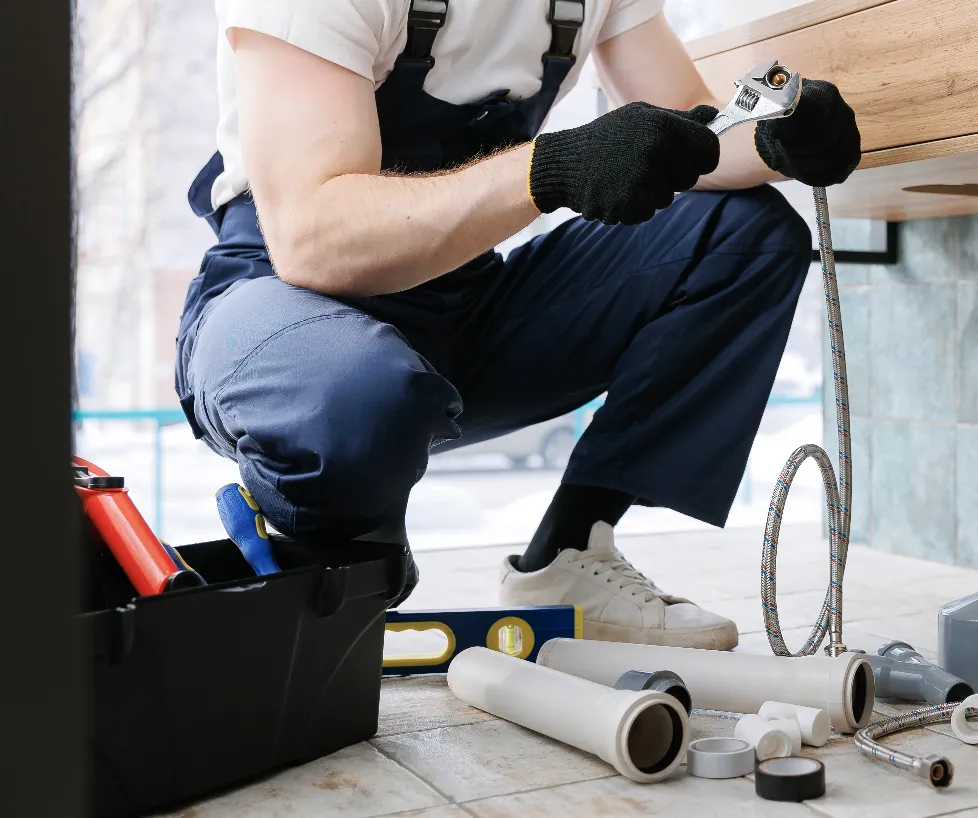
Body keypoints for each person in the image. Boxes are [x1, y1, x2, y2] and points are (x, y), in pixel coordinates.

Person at [175, 0, 861, 651]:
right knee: (352, 397)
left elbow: (696, 130)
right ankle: (327, 558)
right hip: (282, 311)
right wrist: (550, 168)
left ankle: (568, 555)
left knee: (745, 233)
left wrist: (776, 139)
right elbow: (314, 238)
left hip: (462, 308)